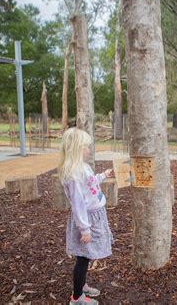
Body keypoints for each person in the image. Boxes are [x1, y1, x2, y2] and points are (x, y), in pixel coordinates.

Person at [58, 128, 114, 305]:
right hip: (87, 219)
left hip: (95, 216)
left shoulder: (83, 167)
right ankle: (77, 298)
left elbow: (90, 184)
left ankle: (81, 286)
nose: (88, 150)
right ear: (76, 148)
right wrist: (85, 229)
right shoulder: (73, 174)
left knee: (86, 256)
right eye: (85, 147)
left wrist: (103, 175)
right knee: (83, 258)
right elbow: (78, 204)